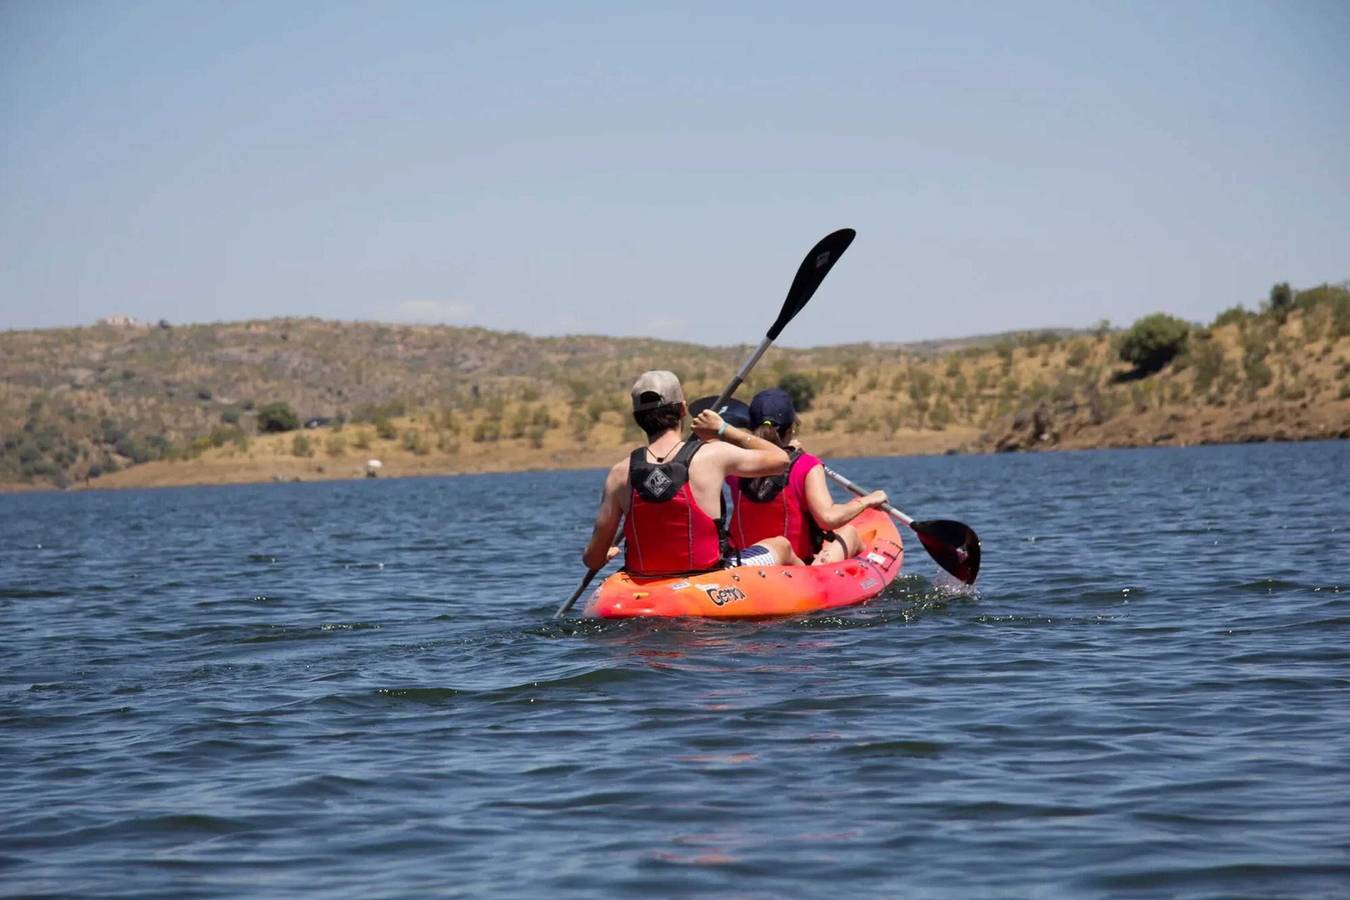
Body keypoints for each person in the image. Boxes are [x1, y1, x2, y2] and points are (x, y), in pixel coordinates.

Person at [582, 371, 801, 576]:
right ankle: (815, 583)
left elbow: (593, 560)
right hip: (708, 576)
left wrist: (605, 554)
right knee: (781, 545)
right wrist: (724, 429)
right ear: (683, 410)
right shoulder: (712, 455)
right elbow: (781, 460)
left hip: (645, 580)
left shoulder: (619, 473)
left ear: (637, 417)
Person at [727, 388, 889, 566]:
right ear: (792, 427)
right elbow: (828, 519)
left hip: (748, 562)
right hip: (796, 568)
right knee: (849, 533)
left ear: (751, 427)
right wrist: (867, 500)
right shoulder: (806, 465)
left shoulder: (734, 462)